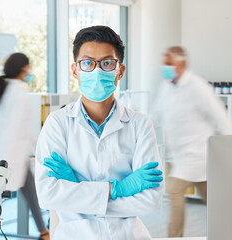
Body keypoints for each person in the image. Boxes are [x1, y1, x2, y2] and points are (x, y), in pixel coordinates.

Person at [35, 26, 164, 240]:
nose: (96, 71)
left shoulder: (140, 124)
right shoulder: (58, 123)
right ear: (75, 70)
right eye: (87, 63)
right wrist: (116, 190)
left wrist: (77, 188)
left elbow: (150, 200)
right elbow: (48, 195)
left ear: (120, 71)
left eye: (107, 63)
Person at [152, 46, 232, 237]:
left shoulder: (198, 86)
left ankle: (175, 237)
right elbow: (156, 115)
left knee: (174, 192)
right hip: (180, 156)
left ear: (181, 64)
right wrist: (138, 129)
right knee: (211, 199)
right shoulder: (165, 86)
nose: (164, 67)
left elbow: (220, 117)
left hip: (197, 154)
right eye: (164, 63)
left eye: (168, 63)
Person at [0, 53, 49, 240]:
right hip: (10, 156)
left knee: (30, 193)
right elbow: (14, 128)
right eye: (28, 67)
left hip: (11, 153)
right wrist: (7, 161)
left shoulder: (8, 89)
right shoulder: (17, 91)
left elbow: (20, 128)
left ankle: (44, 232)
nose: (29, 70)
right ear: (23, 68)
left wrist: (38, 147)